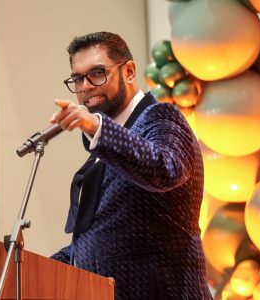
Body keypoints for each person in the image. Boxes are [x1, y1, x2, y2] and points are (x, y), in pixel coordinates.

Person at [50, 31, 211, 299]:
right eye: (77, 78)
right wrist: (18, 268)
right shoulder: (105, 149)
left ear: (129, 71)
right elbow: (95, 241)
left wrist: (98, 127)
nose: (86, 86)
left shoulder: (161, 117)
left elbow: (164, 169)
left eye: (97, 73)